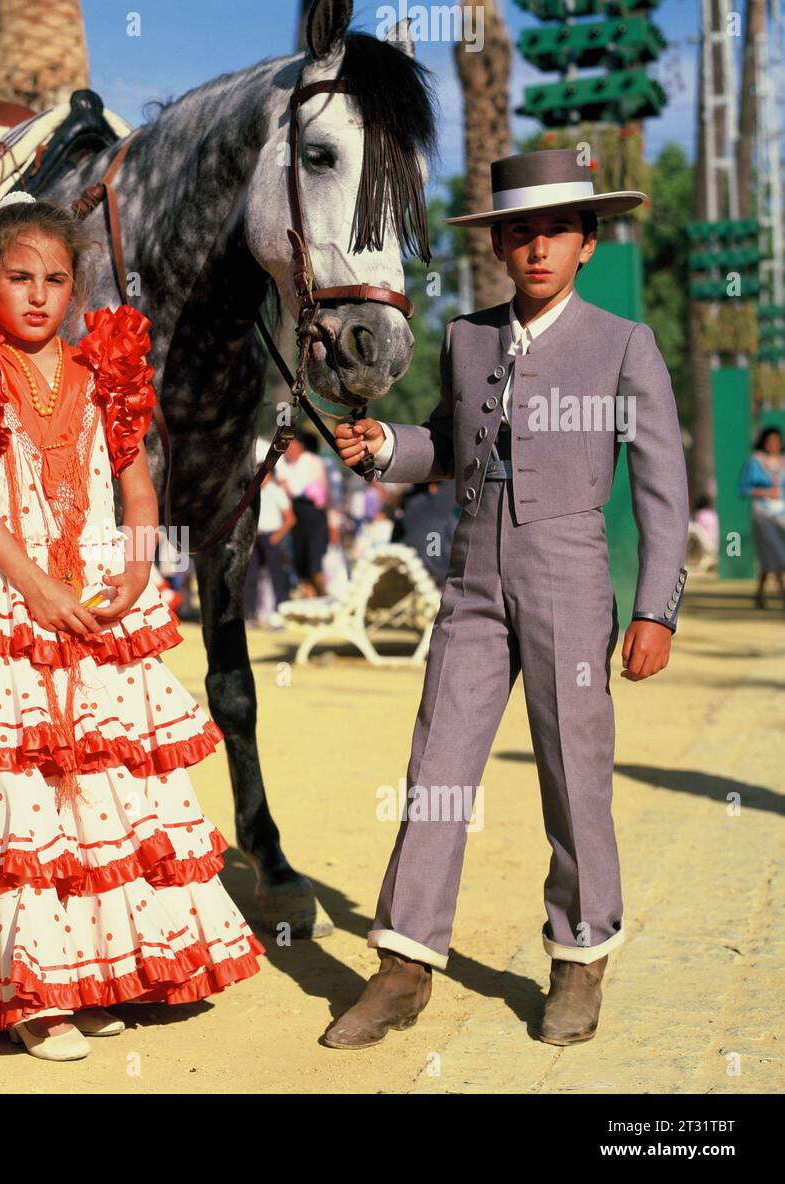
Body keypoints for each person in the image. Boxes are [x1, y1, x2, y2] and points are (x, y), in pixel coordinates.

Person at [0, 193, 264, 1060]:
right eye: (20, 277)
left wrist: (136, 563)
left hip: (95, 600)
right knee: (18, 791)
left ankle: (84, 972)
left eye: (56, 278)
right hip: (10, 597)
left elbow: (135, 485)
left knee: (100, 793)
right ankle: (26, 993)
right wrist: (34, 587)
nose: (40, 294)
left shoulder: (105, 370)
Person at [329, 149, 689, 1048]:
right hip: (472, 578)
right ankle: (405, 962)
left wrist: (655, 608)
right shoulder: (466, 336)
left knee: (574, 772)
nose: (535, 248)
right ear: (497, 246)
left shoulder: (623, 344)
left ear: (587, 243)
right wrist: (384, 447)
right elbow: (446, 443)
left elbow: (663, 490)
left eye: (555, 232)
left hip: (568, 575)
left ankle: (579, 958)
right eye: (518, 232)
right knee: (437, 767)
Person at [246, 438, 296, 623]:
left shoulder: (276, 491)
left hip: (271, 537)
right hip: (255, 537)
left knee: (277, 577)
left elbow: (290, 518)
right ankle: (249, 614)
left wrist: (277, 536)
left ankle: (279, 614)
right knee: (250, 577)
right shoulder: (251, 493)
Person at [275, 431, 329, 595]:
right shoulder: (284, 465)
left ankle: (323, 596)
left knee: (315, 563)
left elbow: (327, 495)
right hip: (296, 515)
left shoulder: (314, 462)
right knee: (301, 564)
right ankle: (311, 601)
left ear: (300, 446)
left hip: (313, 514)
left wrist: (333, 522)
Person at [739, 426, 785, 609]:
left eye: (776, 441)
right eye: (770, 441)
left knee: (770, 557)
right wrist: (766, 491)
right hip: (763, 513)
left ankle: (758, 595)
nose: (774, 445)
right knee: (777, 553)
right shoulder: (755, 461)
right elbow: (743, 489)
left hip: (781, 514)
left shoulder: (783, 462)